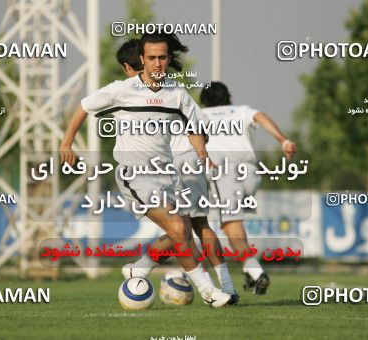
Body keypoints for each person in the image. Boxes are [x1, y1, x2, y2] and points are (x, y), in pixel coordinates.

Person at [59, 33, 231, 307]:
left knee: (182, 234)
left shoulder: (177, 95)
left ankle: (140, 269)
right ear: (142, 59)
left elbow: (195, 127)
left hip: (168, 176)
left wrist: (201, 150)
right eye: (151, 58)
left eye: (162, 57)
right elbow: (83, 107)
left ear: (169, 58)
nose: (157, 63)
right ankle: (209, 292)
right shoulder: (121, 90)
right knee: (177, 228)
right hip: (134, 176)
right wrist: (66, 143)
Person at [116, 39, 239, 304]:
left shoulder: (165, 92)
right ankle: (218, 288)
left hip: (178, 162)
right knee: (185, 228)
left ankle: (218, 288)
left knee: (187, 227)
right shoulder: (137, 93)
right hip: (174, 166)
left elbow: (197, 130)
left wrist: (196, 148)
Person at [199, 81, 297, 295]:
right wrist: (283, 140)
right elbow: (260, 116)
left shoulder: (200, 114)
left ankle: (256, 271)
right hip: (251, 173)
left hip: (224, 172)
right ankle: (248, 270)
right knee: (230, 225)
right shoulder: (240, 110)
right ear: (228, 97)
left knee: (230, 227)